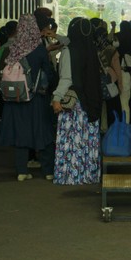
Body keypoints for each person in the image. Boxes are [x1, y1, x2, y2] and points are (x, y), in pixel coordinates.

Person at [0, 15, 56, 181]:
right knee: (42, 132)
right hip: (36, 97)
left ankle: (22, 171)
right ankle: (48, 171)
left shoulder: (13, 48)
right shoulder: (39, 49)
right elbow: (49, 74)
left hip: (16, 98)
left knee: (20, 133)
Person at [51, 18, 102, 185]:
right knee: (86, 139)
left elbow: (66, 78)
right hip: (91, 103)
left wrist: (57, 98)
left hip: (74, 104)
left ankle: (70, 175)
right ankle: (88, 174)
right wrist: (57, 36)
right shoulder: (91, 49)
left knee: (71, 139)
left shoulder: (68, 51)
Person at [94, 25, 123, 131]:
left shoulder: (92, 49)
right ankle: (113, 132)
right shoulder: (111, 50)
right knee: (113, 109)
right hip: (110, 82)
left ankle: (99, 132)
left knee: (98, 109)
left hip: (96, 83)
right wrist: (120, 84)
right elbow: (118, 70)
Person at [116, 21, 131, 123]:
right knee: (126, 100)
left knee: (119, 100)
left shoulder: (116, 37)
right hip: (128, 73)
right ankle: (127, 123)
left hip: (116, 72)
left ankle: (119, 122)